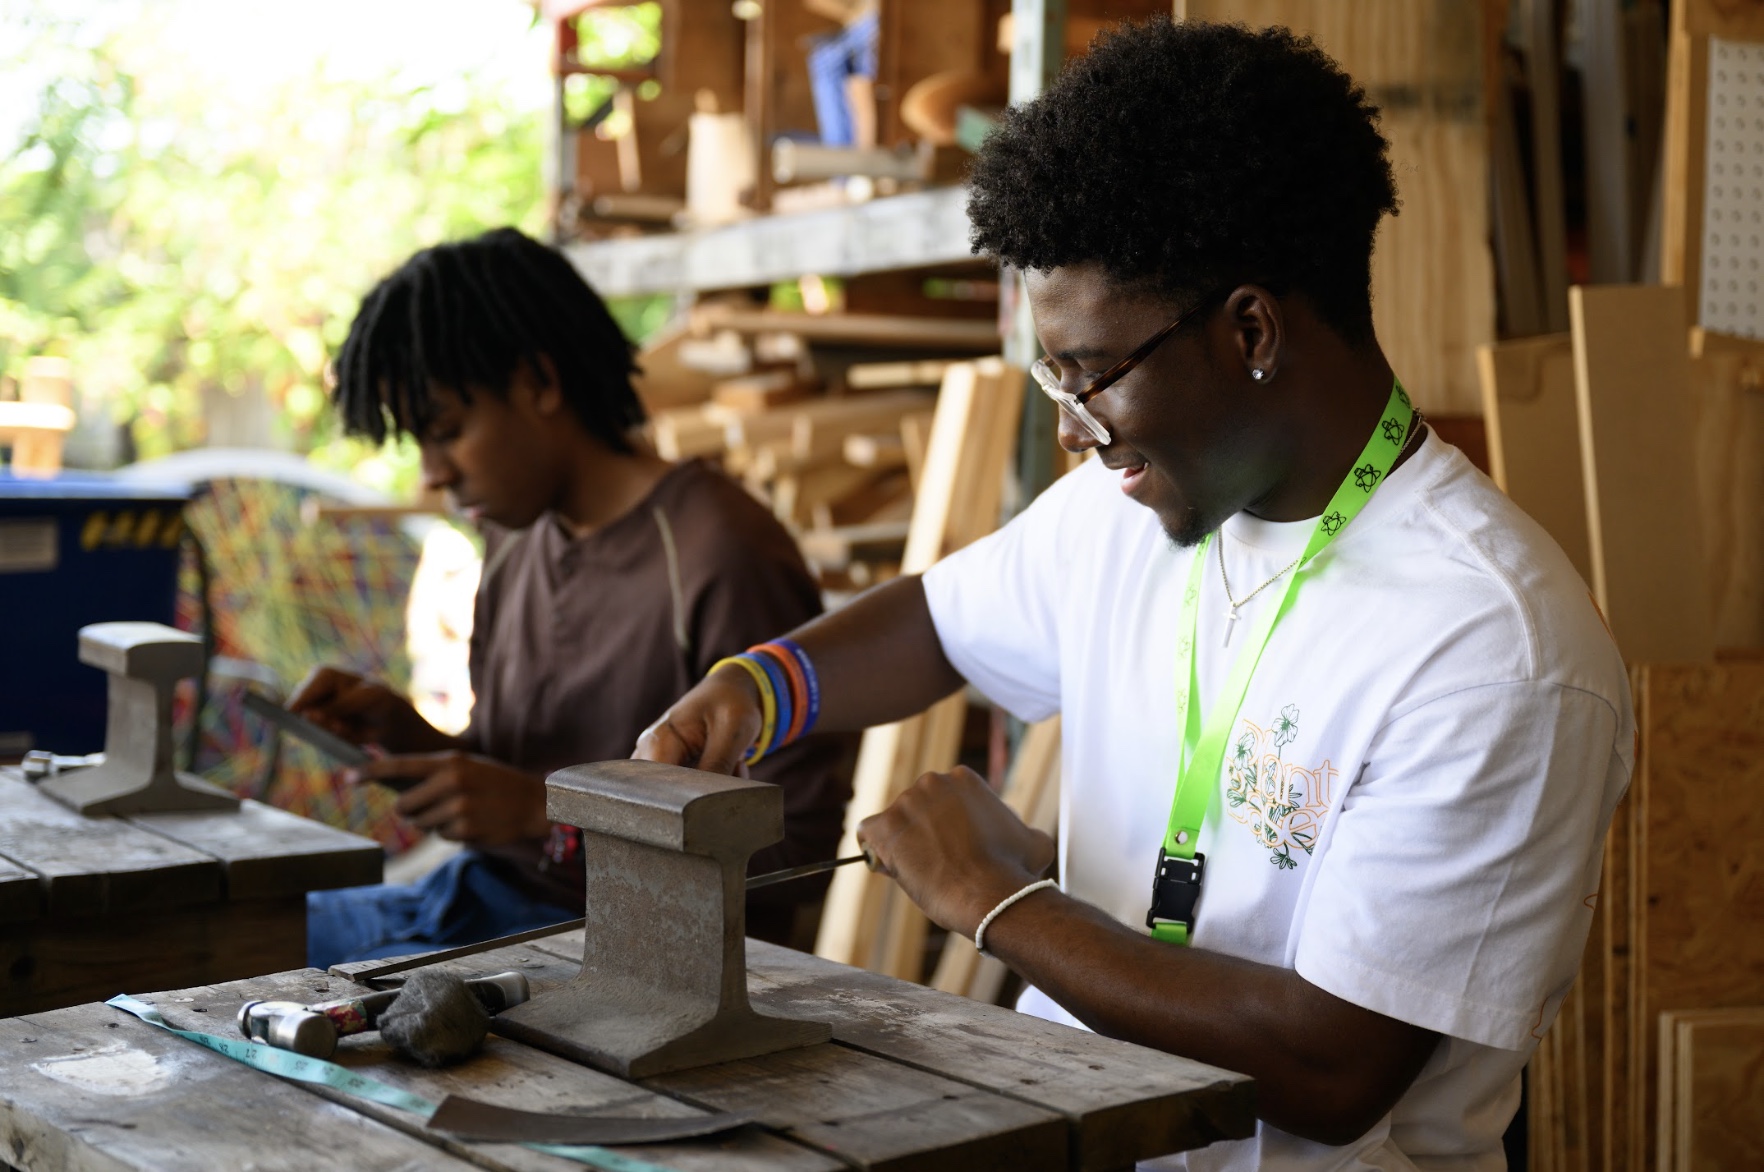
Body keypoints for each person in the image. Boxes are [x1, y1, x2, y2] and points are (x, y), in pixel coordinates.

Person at [637, 20, 1632, 1170]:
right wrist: (755, 692)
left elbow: (1330, 1066)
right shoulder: (1131, 511)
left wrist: (999, 900)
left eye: (1090, 375)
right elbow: (937, 622)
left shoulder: (1492, 645)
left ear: (1250, 329)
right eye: (1051, 376)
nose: (1071, 428)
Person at [293, 227, 852, 968]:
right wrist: (417, 741)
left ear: (539, 385)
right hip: (480, 898)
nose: (433, 473)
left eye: (449, 432)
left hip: (626, 957)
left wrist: (539, 818)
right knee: (229, 939)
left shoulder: (722, 551)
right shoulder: (519, 537)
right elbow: (521, 770)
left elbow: (796, 861)